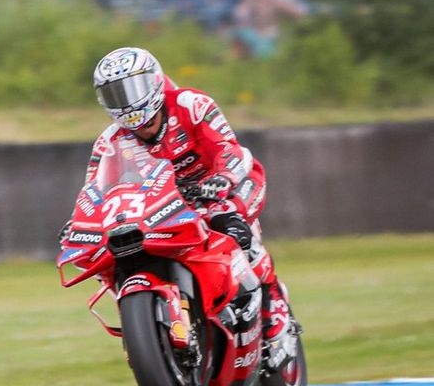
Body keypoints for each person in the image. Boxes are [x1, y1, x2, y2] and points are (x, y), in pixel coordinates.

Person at [83, 46, 295, 368]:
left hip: (230, 186)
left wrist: (222, 180)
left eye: (133, 87)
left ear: (153, 80)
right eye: (114, 93)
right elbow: (95, 190)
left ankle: (274, 310)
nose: (126, 100)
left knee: (234, 227)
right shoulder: (109, 141)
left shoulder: (191, 104)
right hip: (166, 204)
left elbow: (228, 148)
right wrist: (85, 221)